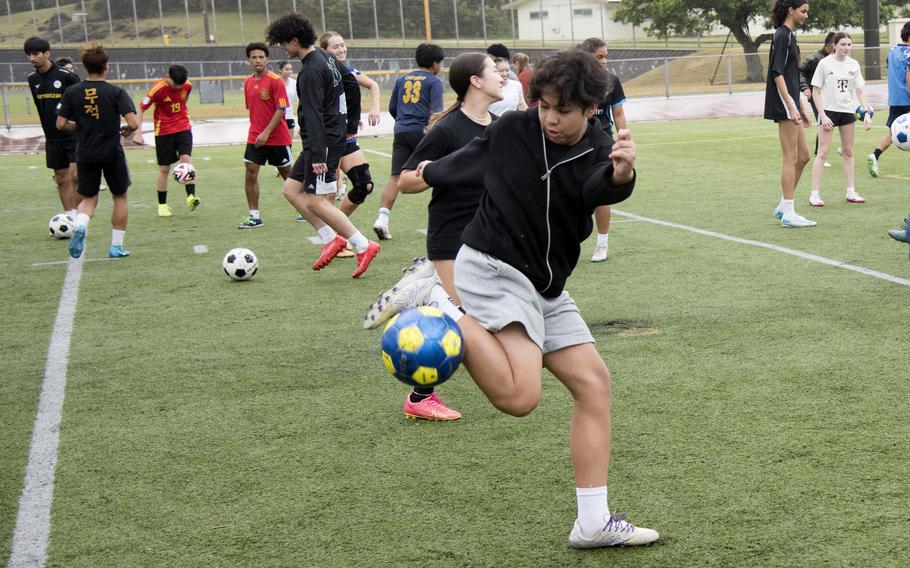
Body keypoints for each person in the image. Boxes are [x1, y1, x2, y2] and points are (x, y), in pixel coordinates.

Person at [364, 49, 659, 547]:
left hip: (545, 286)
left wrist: (621, 175)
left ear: (590, 109)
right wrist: (420, 176)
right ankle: (441, 300)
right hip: (493, 267)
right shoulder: (511, 129)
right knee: (521, 398)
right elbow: (464, 163)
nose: (550, 118)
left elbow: (598, 188)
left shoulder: (598, 147)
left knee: (594, 385)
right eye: (543, 105)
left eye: (562, 111)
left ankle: (592, 522)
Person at [393, 52, 503, 420]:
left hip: (491, 237)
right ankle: (420, 397)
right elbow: (407, 180)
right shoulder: (448, 129)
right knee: (466, 319)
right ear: (475, 80)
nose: (502, 74)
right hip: (452, 237)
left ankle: (433, 292)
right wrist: (443, 170)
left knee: (492, 317)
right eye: (493, 70)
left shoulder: (500, 126)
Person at [266, 12, 381, 278]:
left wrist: (319, 152)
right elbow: (352, 85)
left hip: (324, 144)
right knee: (291, 190)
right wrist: (350, 122)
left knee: (316, 201)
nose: (283, 48)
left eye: (284, 43)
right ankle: (331, 238)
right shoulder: (326, 58)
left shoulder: (310, 71)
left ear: (295, 40)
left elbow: (315, 114)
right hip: (327, 140)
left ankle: (363, 245)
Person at [56, 42, 139, 259]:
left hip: (85, 152)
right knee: (119, 196)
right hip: (112, 151)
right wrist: (127, 129)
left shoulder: (72, 91)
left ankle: (81, 224)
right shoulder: (116, 92)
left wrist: (80, 126)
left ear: (84, 66)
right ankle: (116, 246)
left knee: (89, 199)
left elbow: (61, 124)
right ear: (106, 66)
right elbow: (133, 122)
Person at [372, 43, 445, 240]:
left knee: (395, 177)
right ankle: (444, 220)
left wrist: (404, 123)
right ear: (435, 64)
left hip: (401, 130)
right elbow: (437, 112)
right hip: (422, 131)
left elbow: (393, 107)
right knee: (442, 171)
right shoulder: (434, 82)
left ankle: (382, 219)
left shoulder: (402, 78)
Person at [764, 0, 816, 228]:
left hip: (793, 102)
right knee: (790, 157)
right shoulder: (782, 35)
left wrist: (801, 107)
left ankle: (783, 207)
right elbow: (778, 74)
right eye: (803, 11)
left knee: (804, 156)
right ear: (791, 10)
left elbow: (792, 74)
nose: (806, 15)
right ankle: (789, 213)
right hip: (783, 102)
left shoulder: (790, 35)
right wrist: (791, 105)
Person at [318, 31, 381, 214]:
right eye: (335, 46)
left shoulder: (349, 72)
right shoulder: (321, 75)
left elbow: (373, 85)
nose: (341, 49)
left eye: (343, 45)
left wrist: (374, 108)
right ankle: (330, 237)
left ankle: (339, 230)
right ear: (325, 51)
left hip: (347, 137)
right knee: (329, 193)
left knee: (364, 185)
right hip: (329, 137)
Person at [809, 32, 872, 207]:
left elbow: (859, 91)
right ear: (834, 45)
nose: (846, 48)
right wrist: (822, 115)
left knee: (848, 151)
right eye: (843, 44)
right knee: (822, 152)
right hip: (828, 112)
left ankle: (851, 191)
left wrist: (866, 112)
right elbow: (816, 92)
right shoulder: (824, 63)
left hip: (847, 112)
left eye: (849, 44)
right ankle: (814, 194)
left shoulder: (853, 64)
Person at [580, 37, 627, 261]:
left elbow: (618, 113)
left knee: (601, 193)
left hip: (603, 141)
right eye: (600, 57)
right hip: (575, 141)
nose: (604, 61)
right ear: (586, 56)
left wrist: (623, 139)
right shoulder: (571, 77)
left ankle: (602, 244)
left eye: (606, 56)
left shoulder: (611, 80)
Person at [239, 43, 294, 229]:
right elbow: (253, 110)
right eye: (254, 57)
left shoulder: (275, 81)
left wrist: (267, 132)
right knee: (250, 172)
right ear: (249, 60)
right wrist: (259, 132)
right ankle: (254, 216)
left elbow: (281, 109)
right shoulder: (247, 82)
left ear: (267, 59)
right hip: (255, 137)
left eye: (261, 57)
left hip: (277, 137)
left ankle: (307, 208)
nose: (257, 60)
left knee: (289, 174)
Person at [133, 64, 200, 217]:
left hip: (183, 127)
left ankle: (191, 196)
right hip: (163, 131)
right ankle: (162, 205)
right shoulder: (157, 89)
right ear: (168, 77)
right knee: (164, 168)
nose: (178, 88)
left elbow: (184, 100)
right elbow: (140, 109)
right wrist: (138, 133)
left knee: (186, 160)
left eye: (181, 85)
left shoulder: (187, 85)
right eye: (176, 85)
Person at [24, 37, 80, 217]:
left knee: (76, 176)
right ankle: (70, 217)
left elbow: (80, 103)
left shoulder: (67, 76)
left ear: (47, 53)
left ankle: (81, 215)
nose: (32, 58)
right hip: (52, 138)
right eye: (29, 54)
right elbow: (42, 109)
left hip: (73, 135)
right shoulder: (32, 79)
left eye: (36, 54)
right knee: (62, 180)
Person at [867, 21, 910, 178]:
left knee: (894, 131)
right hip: (907, 99)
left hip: (895, 99)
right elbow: (908, 78)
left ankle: (875, 155)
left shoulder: (891, 52)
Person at [278, 60, 299, 137]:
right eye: (287, 69)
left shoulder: (294, 83)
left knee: (289, 143)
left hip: (289, 116)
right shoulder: (275, 82)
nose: (290, 71)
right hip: (276, 118)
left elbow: (300, 100)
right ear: (280, 70)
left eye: (291, 69)